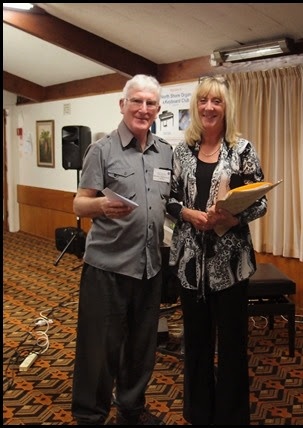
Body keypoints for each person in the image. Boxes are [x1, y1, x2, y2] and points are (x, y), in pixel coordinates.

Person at [71, 74, 173, 425]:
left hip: (149, 267)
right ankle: (90, 416)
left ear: (157, 109)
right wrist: (100, 206)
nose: (143, 109)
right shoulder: (101, 149)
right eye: (137, 101)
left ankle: (131, 409)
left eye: (150, 103)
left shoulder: (166, 152)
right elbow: (78, 204)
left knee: (141, 348)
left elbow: (167, 203)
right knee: (99, 350)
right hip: (108, 268)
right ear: (123, 105)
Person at [166, 76, 267, 425]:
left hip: (232, 265)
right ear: (196, 106)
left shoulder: (242, 150)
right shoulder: (180, 151)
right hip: (190, 266)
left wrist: (232, 217)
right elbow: (170, 200)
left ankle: (232, 416)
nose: (209, 107)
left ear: (226, 107)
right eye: (204, 100)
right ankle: (199, 413)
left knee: (233, 345)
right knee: (195, 344)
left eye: (217, 101)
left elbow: (261, 201)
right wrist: (186, 213)